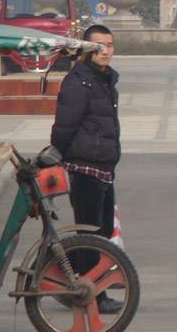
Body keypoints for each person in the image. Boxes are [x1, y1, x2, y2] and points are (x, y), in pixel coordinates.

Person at [50, 24, 123, 314]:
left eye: (110, 45)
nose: (105, 51)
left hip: (103, 166)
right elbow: (65, 125)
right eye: (99, 46)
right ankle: (90, 293)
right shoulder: (78, 81)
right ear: (85, 48)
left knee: (101, 232)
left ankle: (83, 284)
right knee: (90, 233)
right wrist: (58, 153)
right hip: (85, 167)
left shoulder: (102, 79)